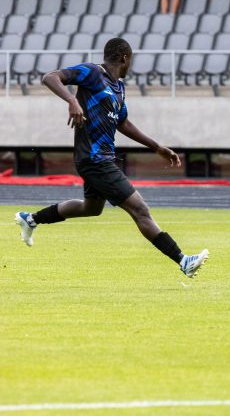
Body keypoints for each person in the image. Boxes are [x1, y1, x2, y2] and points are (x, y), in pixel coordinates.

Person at [14, 38, 208, 278]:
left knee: (91, 208)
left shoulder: (118, 87)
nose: (130, 66)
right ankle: (182, 260)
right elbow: (50, 77)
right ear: (124, 58)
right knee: (140, 209)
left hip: (101, 158)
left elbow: (123, 123)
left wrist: (157, 147)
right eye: (131, 61)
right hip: (95, 159)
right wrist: (72, 100)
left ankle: (30, 219)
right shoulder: (92, 73)